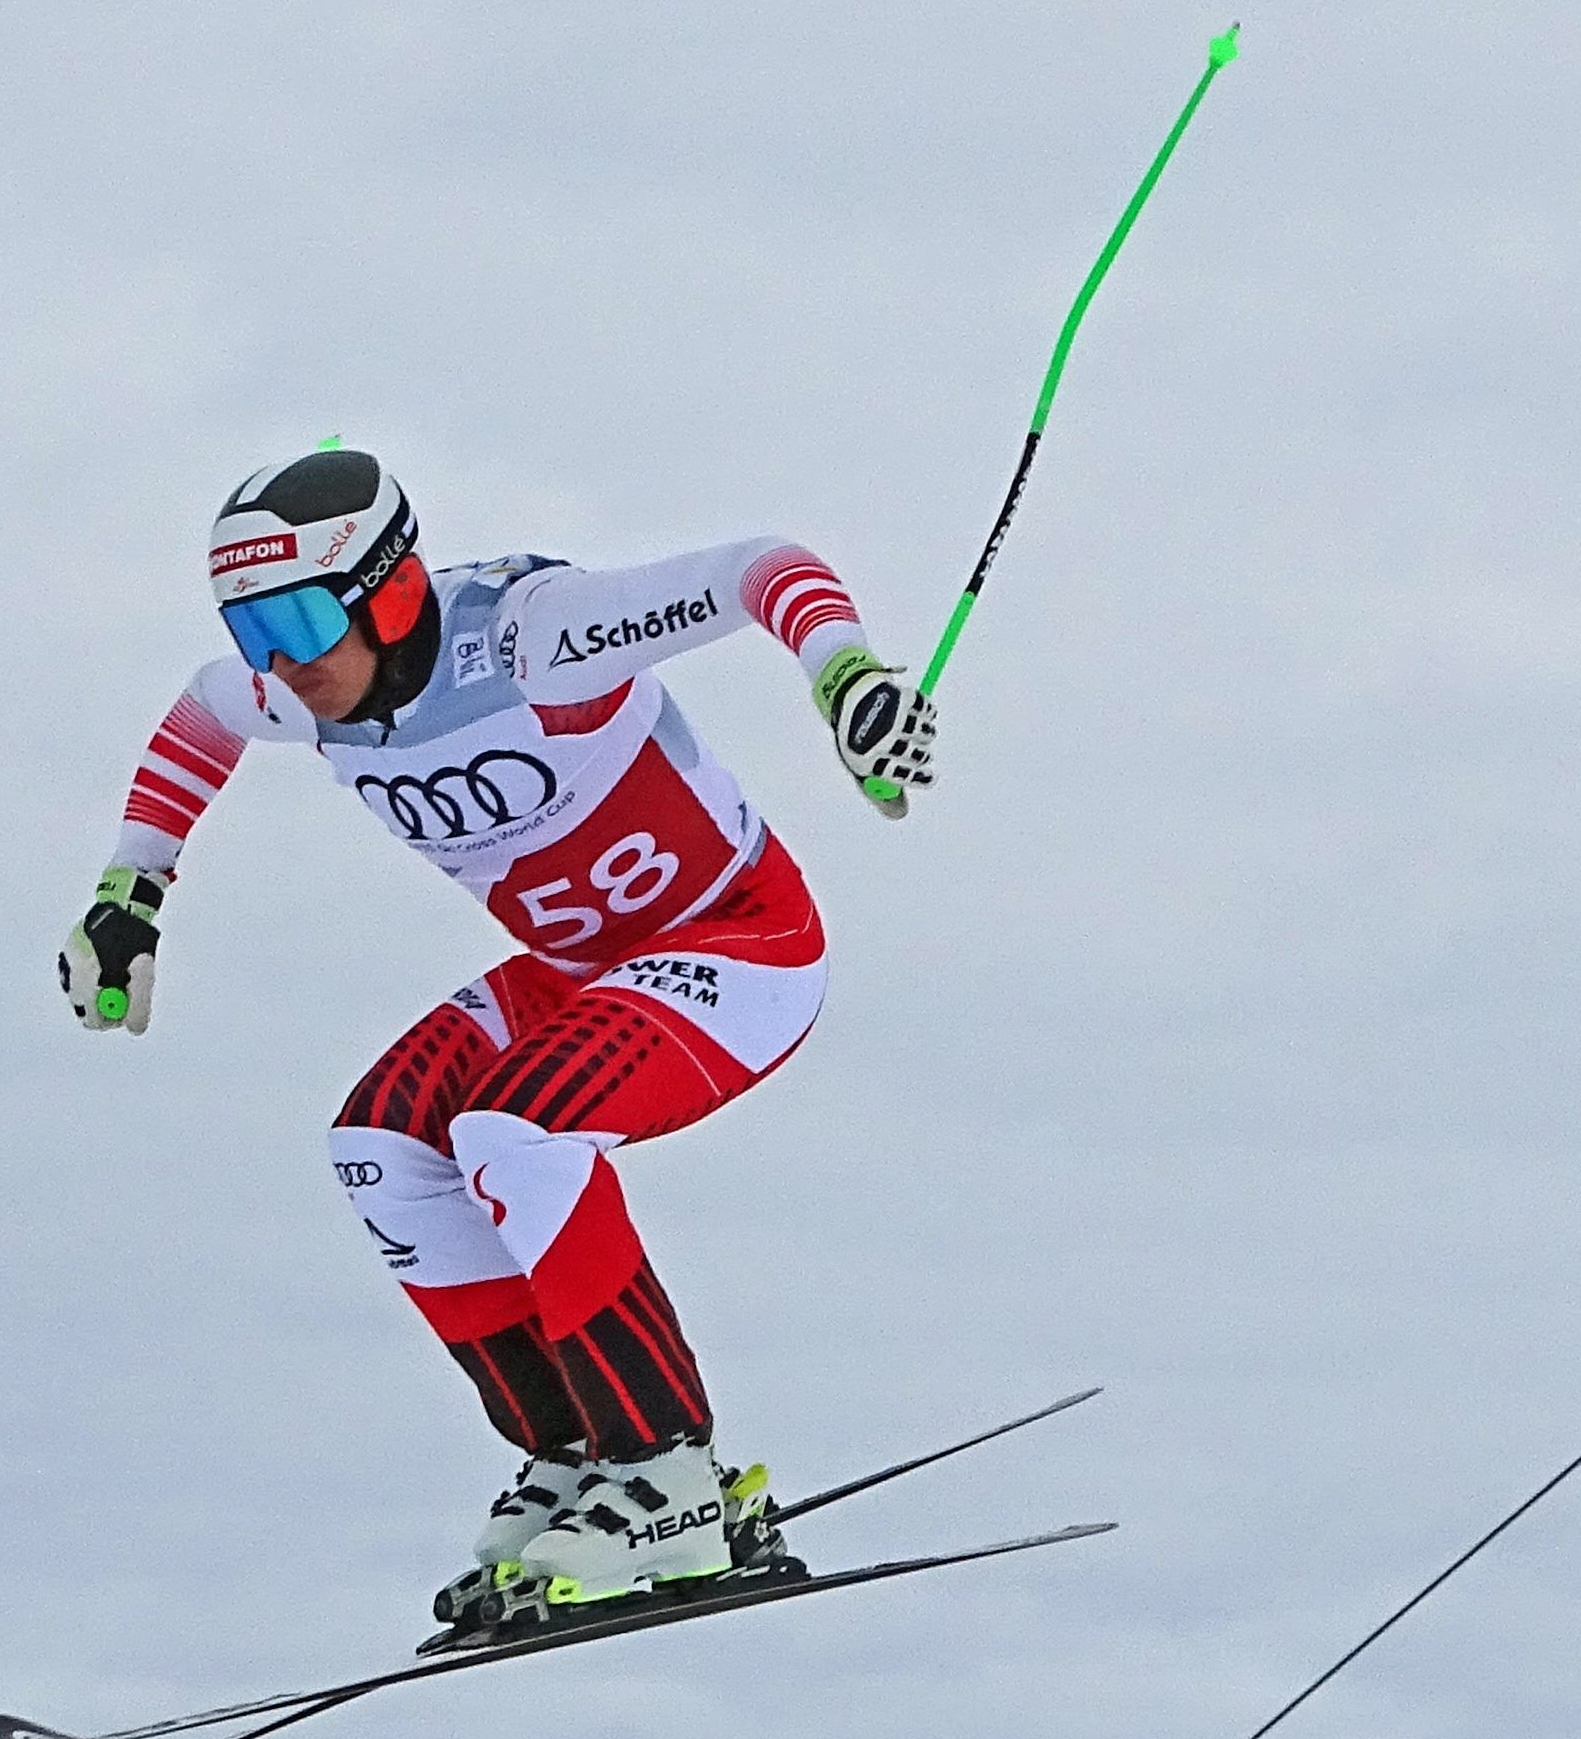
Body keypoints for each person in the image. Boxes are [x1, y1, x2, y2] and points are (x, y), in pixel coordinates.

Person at [60, 444, 934, 1621]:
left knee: (513, 1130)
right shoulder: (295, 680)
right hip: (580, 970)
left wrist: (849, 681)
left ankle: (670, 1470)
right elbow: (199, 716)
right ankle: (577, 1452)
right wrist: (132, 893)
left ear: (392, 589)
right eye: (253, 627)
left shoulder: (538, 636)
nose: (284, 662)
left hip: (738, 941)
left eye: (305, 617)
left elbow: (757, 570)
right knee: (380, 1144)